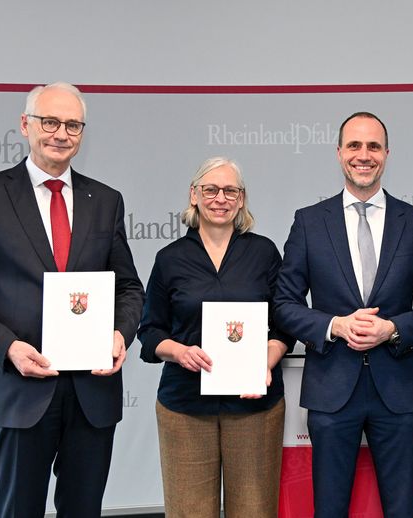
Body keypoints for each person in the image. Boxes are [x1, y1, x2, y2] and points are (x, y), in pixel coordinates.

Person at [0, 82, 144, 517]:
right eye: (50, 122)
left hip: (92, 392)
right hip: (19, 390)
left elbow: (128, 287)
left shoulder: (105, 200)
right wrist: (8, 348)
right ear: (25, 125)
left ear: (82, 133)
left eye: (72, 125)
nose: (60, 133)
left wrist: (120, 333)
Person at [274, 112, 413, 517]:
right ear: (339, 153)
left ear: (386, 154)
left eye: (373, 146)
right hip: (331, 390)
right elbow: (283, 304)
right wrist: (334, 325)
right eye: (354, 145)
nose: (364, 155)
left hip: (398, 391)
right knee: (330, 509)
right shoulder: (309, 222)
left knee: (402, 509)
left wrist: (393, 328)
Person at [138, 157, 293, 518]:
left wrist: (266, 360)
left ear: (241, 200)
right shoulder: (170, 259)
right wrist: (177, 351)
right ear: (194, 195)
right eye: (210, 189)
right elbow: (149, 331)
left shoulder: (264, 253)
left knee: (255, 511)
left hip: (254, 406)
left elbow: (284, 323)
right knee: (189, 512)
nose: (220, 198)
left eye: (230, 191)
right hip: (185, 408)